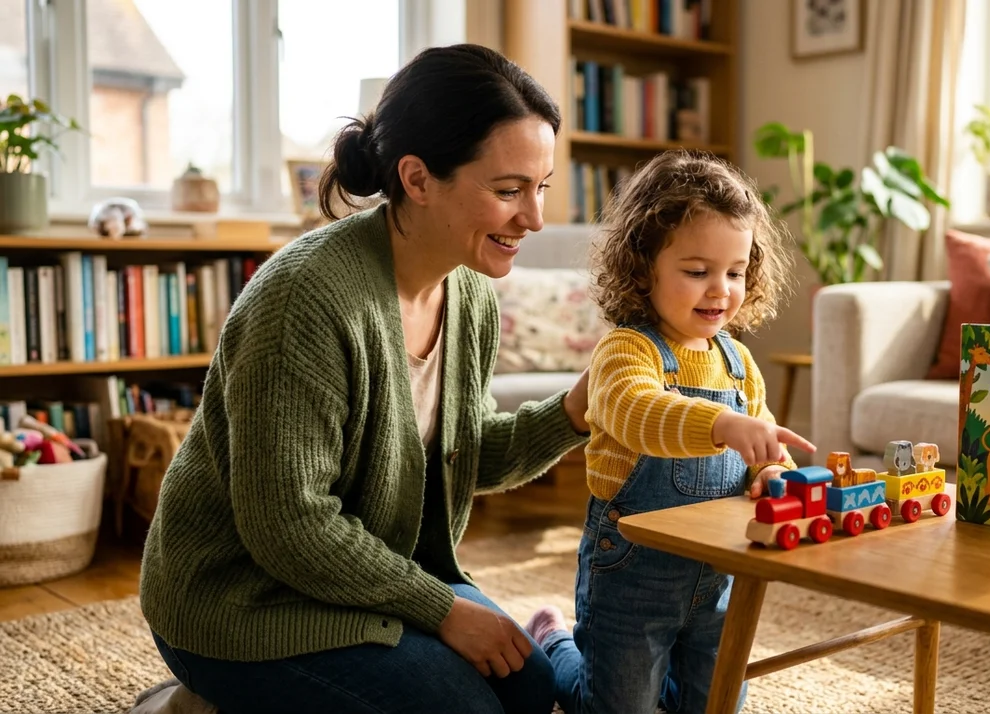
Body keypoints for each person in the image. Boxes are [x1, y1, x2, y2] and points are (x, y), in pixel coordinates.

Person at [133, 44, 589, 714]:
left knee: (529, 691)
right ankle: (194, 700)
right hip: (242, 602)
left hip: (361, 582)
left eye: (541, 186)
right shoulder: (305, 302)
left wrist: (572, 414)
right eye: (508, 190)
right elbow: (290, 524)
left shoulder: (471, 294)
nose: (535, 217)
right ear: (418, 178)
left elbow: (460, 455)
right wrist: (441, 609)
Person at [523, 150, 815, 714]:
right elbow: (638, 411)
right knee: (614, 705)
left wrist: (772, 468)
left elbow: (762, 444)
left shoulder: (738, 362)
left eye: (735, 272)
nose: (720, 290)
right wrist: (723, 425)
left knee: (716, 702)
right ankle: (555, 644)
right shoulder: (624, 351)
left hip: (719, 582)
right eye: (697, 271)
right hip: (632, 579)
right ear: (643, 267)